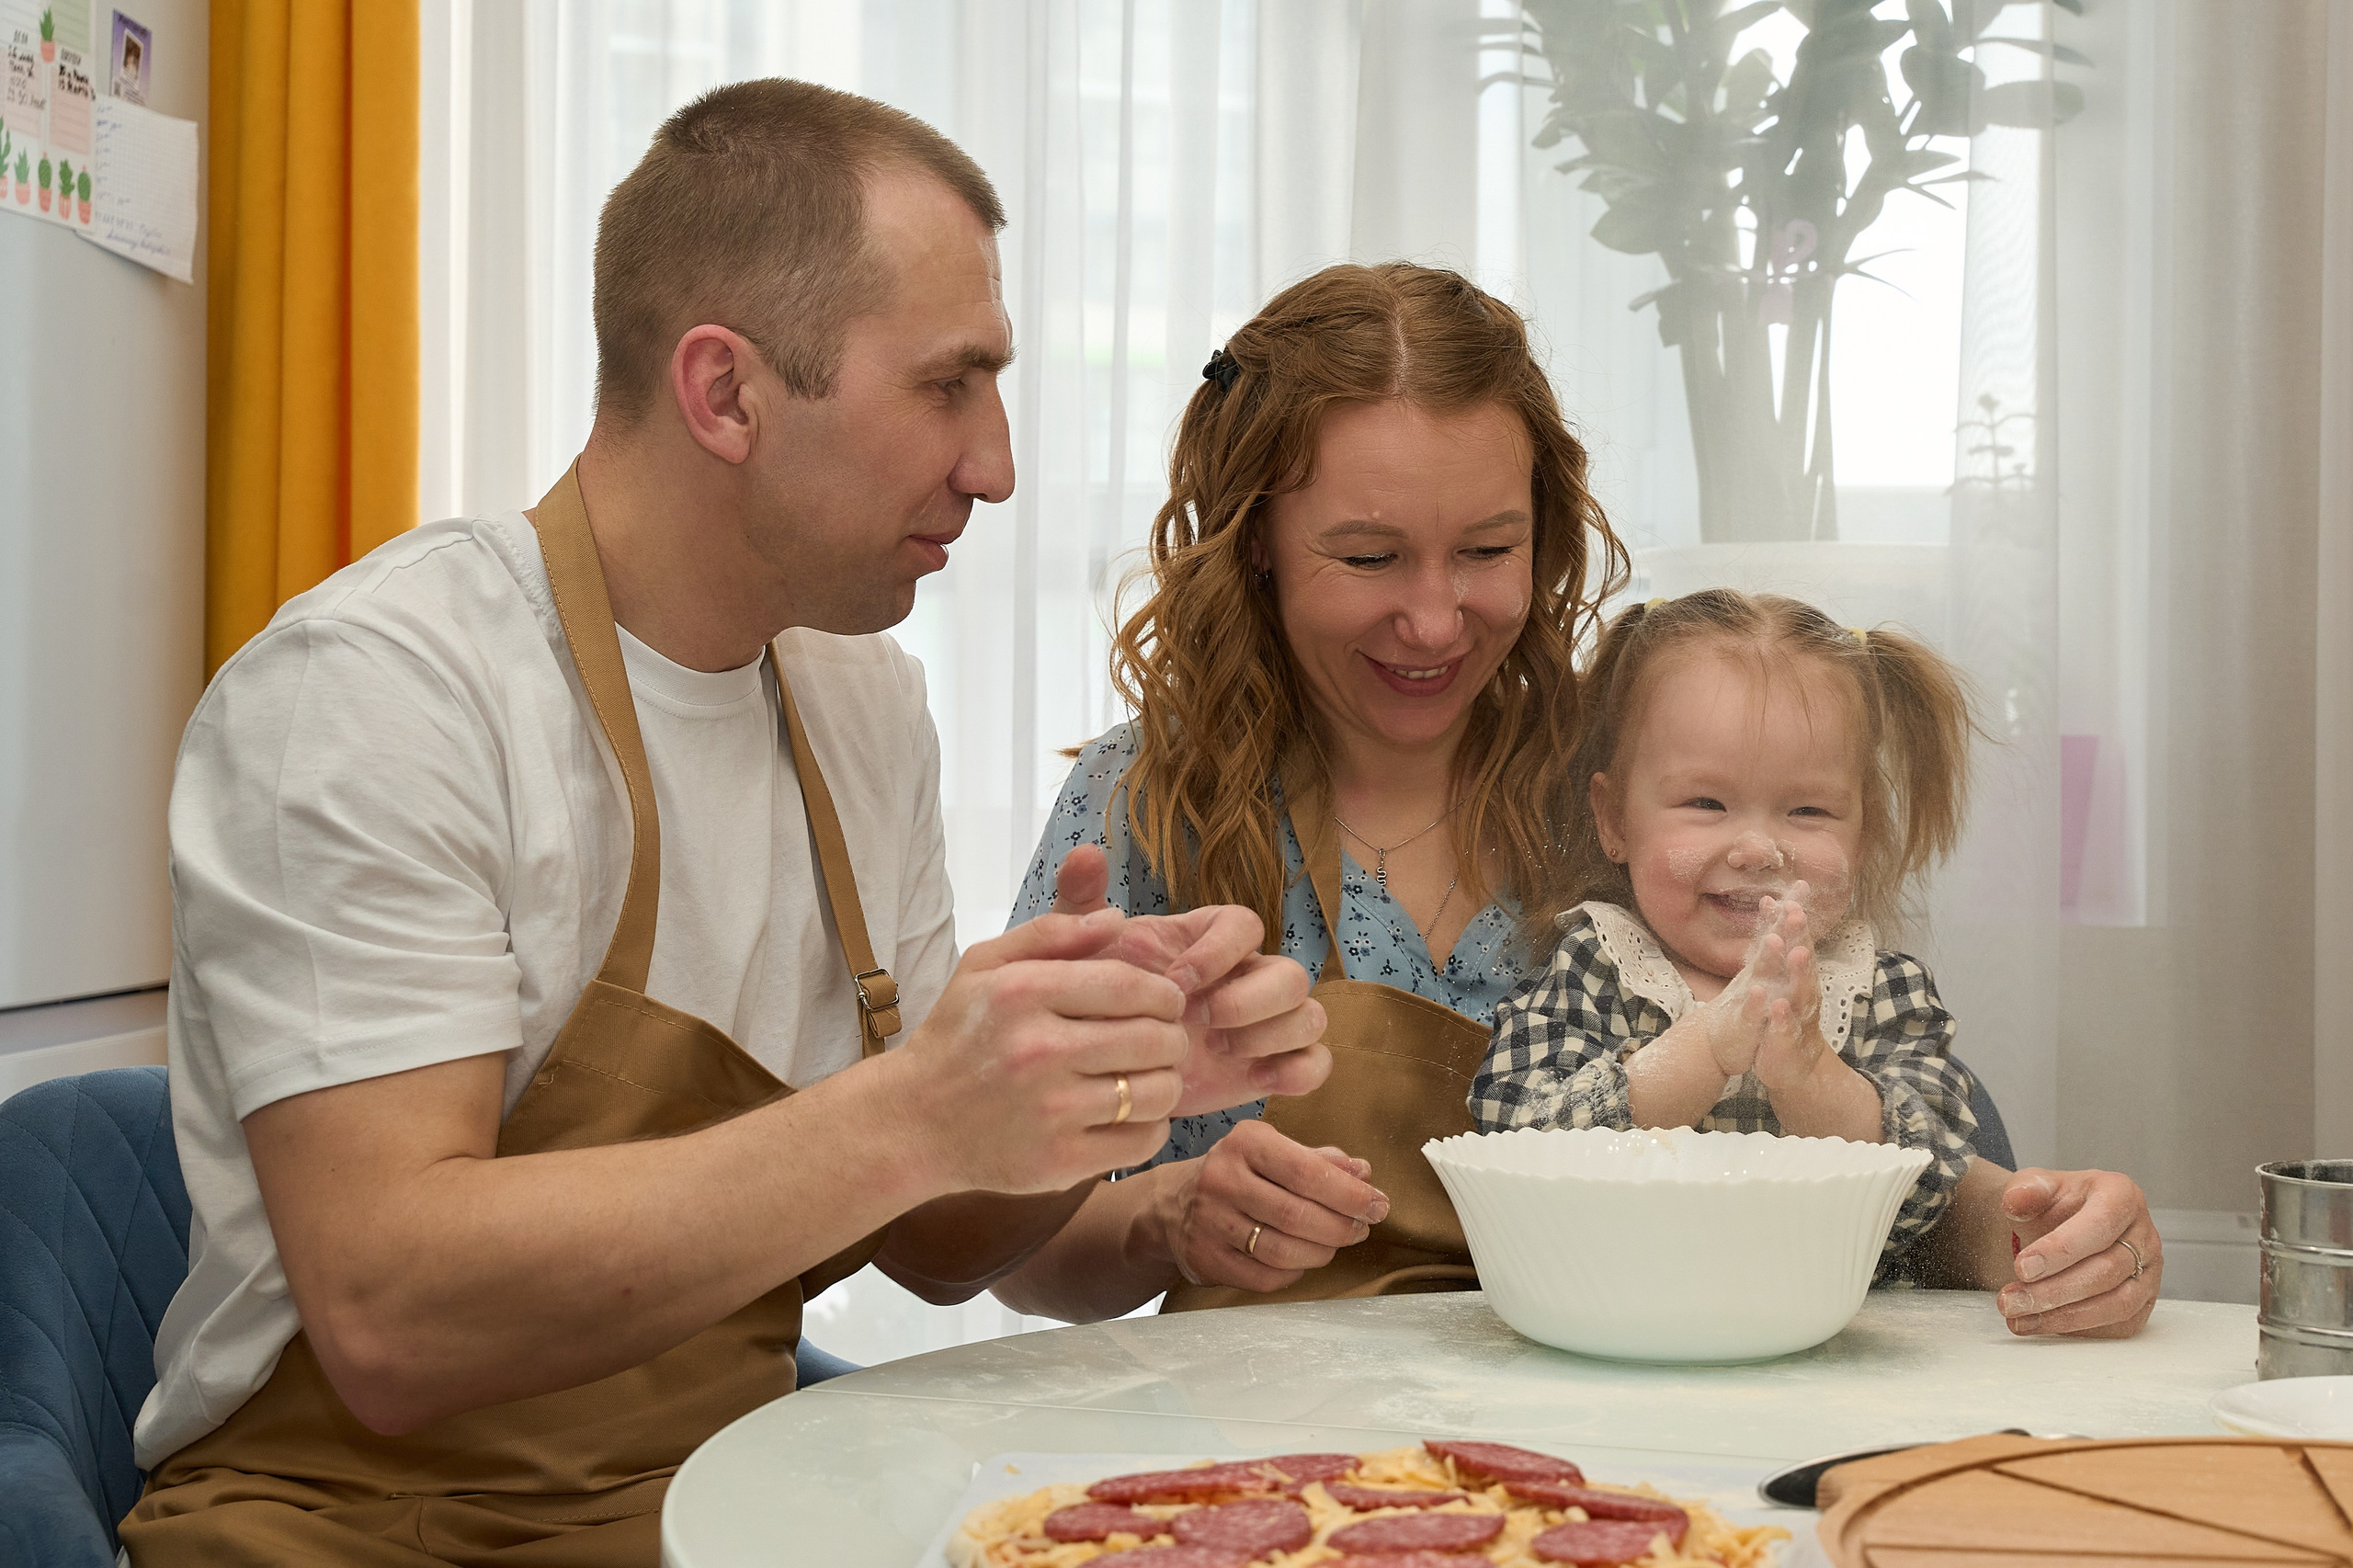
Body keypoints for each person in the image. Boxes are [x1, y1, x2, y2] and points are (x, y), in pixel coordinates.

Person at [119, 80, 1325, 1566]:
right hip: (353, 1531)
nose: (997, 463)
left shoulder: (861, 701)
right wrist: (916, 1108)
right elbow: (390, 1314)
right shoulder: (382, 695)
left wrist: (1104, 1083)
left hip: (723, 1509)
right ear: (727, 393)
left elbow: (938, 1248)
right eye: (948, 385)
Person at [992, 261, 2163, 1338]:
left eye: (1488, 549)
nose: (1437, 618)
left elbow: (1885, 1165)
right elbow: (1019, 1252)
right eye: (1368, 557)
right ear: (1254, 542)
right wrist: (1167, 1212)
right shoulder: (1149, 801)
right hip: (1272, 1453)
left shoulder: (1656, 780)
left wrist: (2055, 1227)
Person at [1471, 590, 1984, 1278]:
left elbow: (1923, 1195)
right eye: (1705, 803)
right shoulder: (1594, 967)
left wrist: (1808, 1071)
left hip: (1820, 1347)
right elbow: (1517, 1155)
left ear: (1864, 838)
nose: (1757, 850)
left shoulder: (1884, 994)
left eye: (1808, 810)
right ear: (1613, 818)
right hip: (1615, 1331)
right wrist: (1706, 1046)